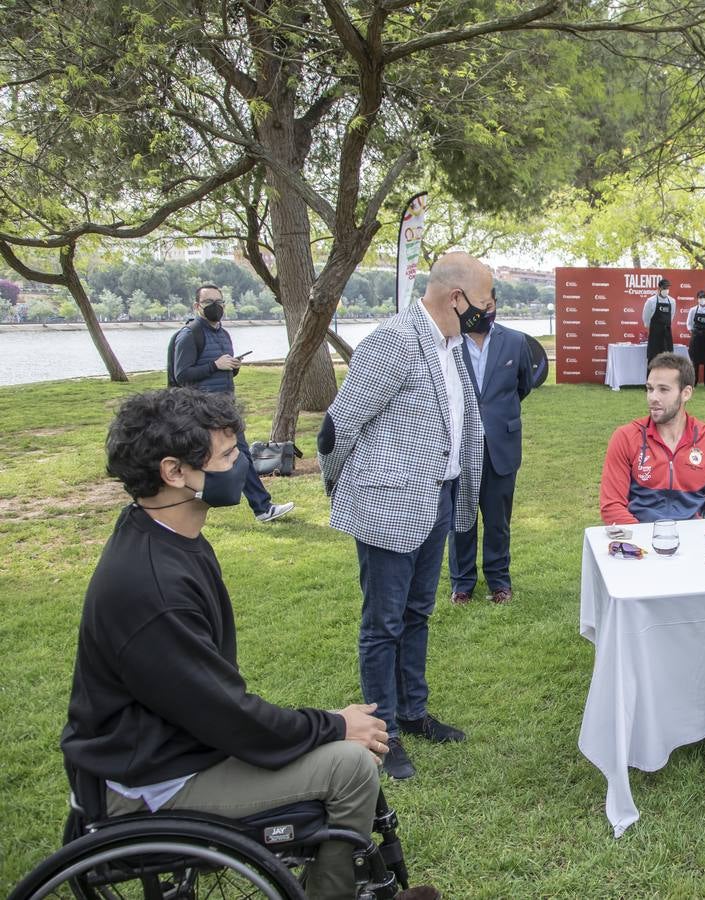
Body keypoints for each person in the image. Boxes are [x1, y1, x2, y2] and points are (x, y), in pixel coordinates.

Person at [62, 388, 387, 899]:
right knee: (349, 767)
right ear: (176, 473)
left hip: (167, 748)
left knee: (341, 745)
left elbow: (213, 705)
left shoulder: (163, 534)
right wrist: (334, 725)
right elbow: (230, 717)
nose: (245, 467)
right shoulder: (153, 587)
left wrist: (325, 726)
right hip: (148, 780)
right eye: (230, 457)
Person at [318, 251, 488, 781]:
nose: (490, 312)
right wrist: (348, 488)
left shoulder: (452, 346)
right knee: (383, 624)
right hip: (388, 504)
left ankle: (412, 712)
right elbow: (337, 426)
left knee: (417, 614)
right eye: (485, 302)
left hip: (436, 499)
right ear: (456, 299)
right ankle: (382, 732)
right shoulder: (395, 339)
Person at [170, 284, 293, 524]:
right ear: (197, 306)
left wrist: (232, 368)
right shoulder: (189, 335)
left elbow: (222, 371)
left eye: (219, 301)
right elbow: (181, 375)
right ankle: (258, 507)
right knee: (200, 458)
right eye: (208, 302)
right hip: (201, 410)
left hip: (225, 407)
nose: (215, 306)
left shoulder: (223, 335)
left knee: (240, 455)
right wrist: (215, 365)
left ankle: (261, 507)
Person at [450, 288, 534, 606]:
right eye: (479, 305)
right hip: (461, 446)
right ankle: (462, 584)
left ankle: (500, 582)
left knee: (498, 520)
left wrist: (498, 415)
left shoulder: (515, 341)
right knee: (462, 517)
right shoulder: (450, 343)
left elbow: (523, 385)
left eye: (490, 304)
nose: (485, 310)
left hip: (502, 444)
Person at [599, 351, 705, 524]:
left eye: (663, 390)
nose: (653, 398)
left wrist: (696, 541)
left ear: (686, 393)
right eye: (650, 389)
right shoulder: (625, 437)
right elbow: (612, 506)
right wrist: (647, 542)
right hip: (640, 540)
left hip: (693, 540)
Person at [685, 289, 705, 388]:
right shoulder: (693, 310)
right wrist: (694, 332)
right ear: (697, 299)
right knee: (694, 361)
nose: (702, 299)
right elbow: (689, 323)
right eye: (700, 297)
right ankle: (693, 382)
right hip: (696, 338)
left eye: (704, 297)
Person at [641, 277, 676, 364]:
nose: (666, 290)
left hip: (667, 335)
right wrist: (654, 328)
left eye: (667, 288)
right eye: (664, 288)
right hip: (655, 336)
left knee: (668, 361)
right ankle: (651, 378)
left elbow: (671, 316)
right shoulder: (651, 301)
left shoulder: (672, 301)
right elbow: (646, 318)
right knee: (653, 360)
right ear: (659, 288)